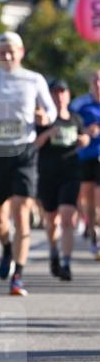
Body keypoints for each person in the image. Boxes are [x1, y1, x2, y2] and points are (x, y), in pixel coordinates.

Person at [0, 31, 56, 296]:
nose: (7, 56)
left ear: (21, 52)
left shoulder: (33, 80)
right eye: (2, 52)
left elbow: (50, 111)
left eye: (11, 51)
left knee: (21, 211)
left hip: (24, 151)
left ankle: (18, 275)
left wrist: (43, 117)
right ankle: (6, 246)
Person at [35, 79, 88, 281]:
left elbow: (84, 138)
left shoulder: (76, 118)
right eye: (55, 93)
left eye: (62, 92)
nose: (59, 96)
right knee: (51, 220)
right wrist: (49, 133)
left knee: (67, 218)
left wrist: (84, 140)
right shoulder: (43, 120)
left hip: (71, 172)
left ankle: (66, 262)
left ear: (68, 95)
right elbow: (35, 145)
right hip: (47, 174)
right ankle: (54, 252)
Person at [70, 69, 100, 259]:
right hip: (84, 156)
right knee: (88, 198)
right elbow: (69, 125)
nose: (98, 84)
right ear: (90, 83)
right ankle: (92, 231)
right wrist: (84, 132)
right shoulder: (80, 104)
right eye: (95, 81)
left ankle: (97, 230)